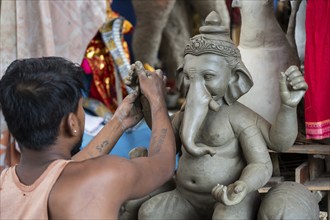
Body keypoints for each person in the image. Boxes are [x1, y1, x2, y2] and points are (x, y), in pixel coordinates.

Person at [0, 57, 176, 219]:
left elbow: (58, 174)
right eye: (80, 108)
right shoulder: (104, 175)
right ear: (72, 123)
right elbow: (163, 164)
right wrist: (157, 99)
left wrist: (119, 122)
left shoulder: (4, 184)